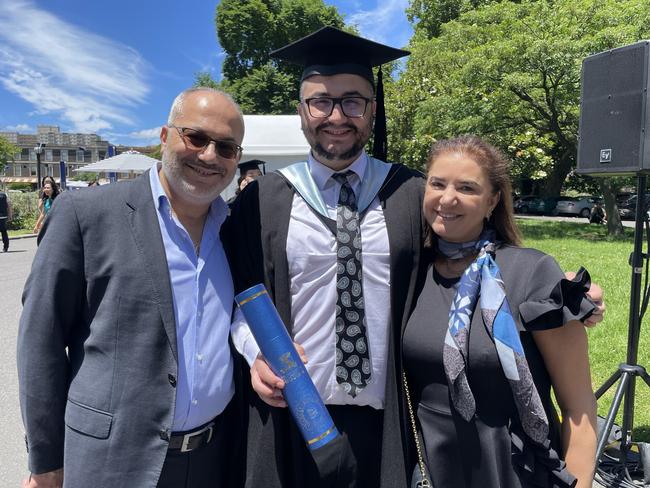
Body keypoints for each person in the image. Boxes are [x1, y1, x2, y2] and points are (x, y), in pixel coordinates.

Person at [225, 27, 604, 488]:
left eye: (353, 101)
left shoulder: (408, 193)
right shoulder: (262, 199)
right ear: (302, 110)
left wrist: (558, 297)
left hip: (390, 424)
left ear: (372, 108)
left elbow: (469, 248)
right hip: (291, 416)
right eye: (320, 101)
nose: (336, 115)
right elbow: (235, 297)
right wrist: (254, 353)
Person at [17, 87, 246, 488]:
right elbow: (40, 340)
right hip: (113, 463)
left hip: (215, 458)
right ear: (164, 137)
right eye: (196, 137)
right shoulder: (85, 215)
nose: (210, 155)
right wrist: (46, 459)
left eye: (226, 147)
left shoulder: (235, 230)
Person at [401, 136, 597, 488]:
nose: (448, 198)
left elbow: (579, 407)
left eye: (467, 187)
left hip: (511, 468)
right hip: (431, 466)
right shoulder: (412, 274)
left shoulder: (532, 274)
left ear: (492, 200)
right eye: (438, 183)